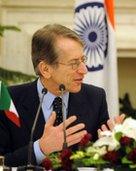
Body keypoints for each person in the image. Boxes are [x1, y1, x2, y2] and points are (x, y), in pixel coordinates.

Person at [0, 24, 124, 167]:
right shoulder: (9, 100)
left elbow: (100, 159)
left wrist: (113, 144)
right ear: (45, 69)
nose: (84, 70)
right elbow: (2, 162)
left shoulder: (95, 98)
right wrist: (40, 149)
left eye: (83, 60)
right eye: (74, 64)